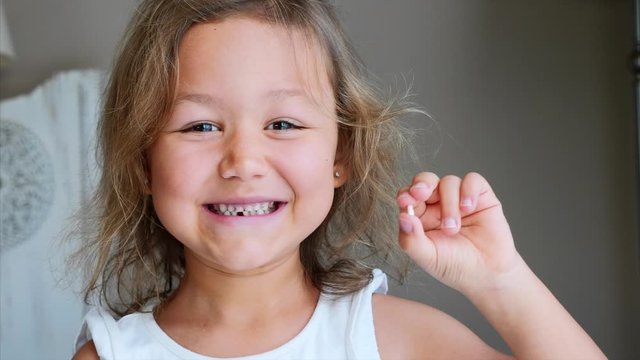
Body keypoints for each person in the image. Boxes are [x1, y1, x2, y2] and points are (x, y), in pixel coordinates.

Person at [71, 0, 605, 359]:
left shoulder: (389, 339)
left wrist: (501, 279)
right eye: (200, 125)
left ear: (340, 154)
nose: (244, 160)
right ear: (143, 162)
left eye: (282, 124)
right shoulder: (112, 354)